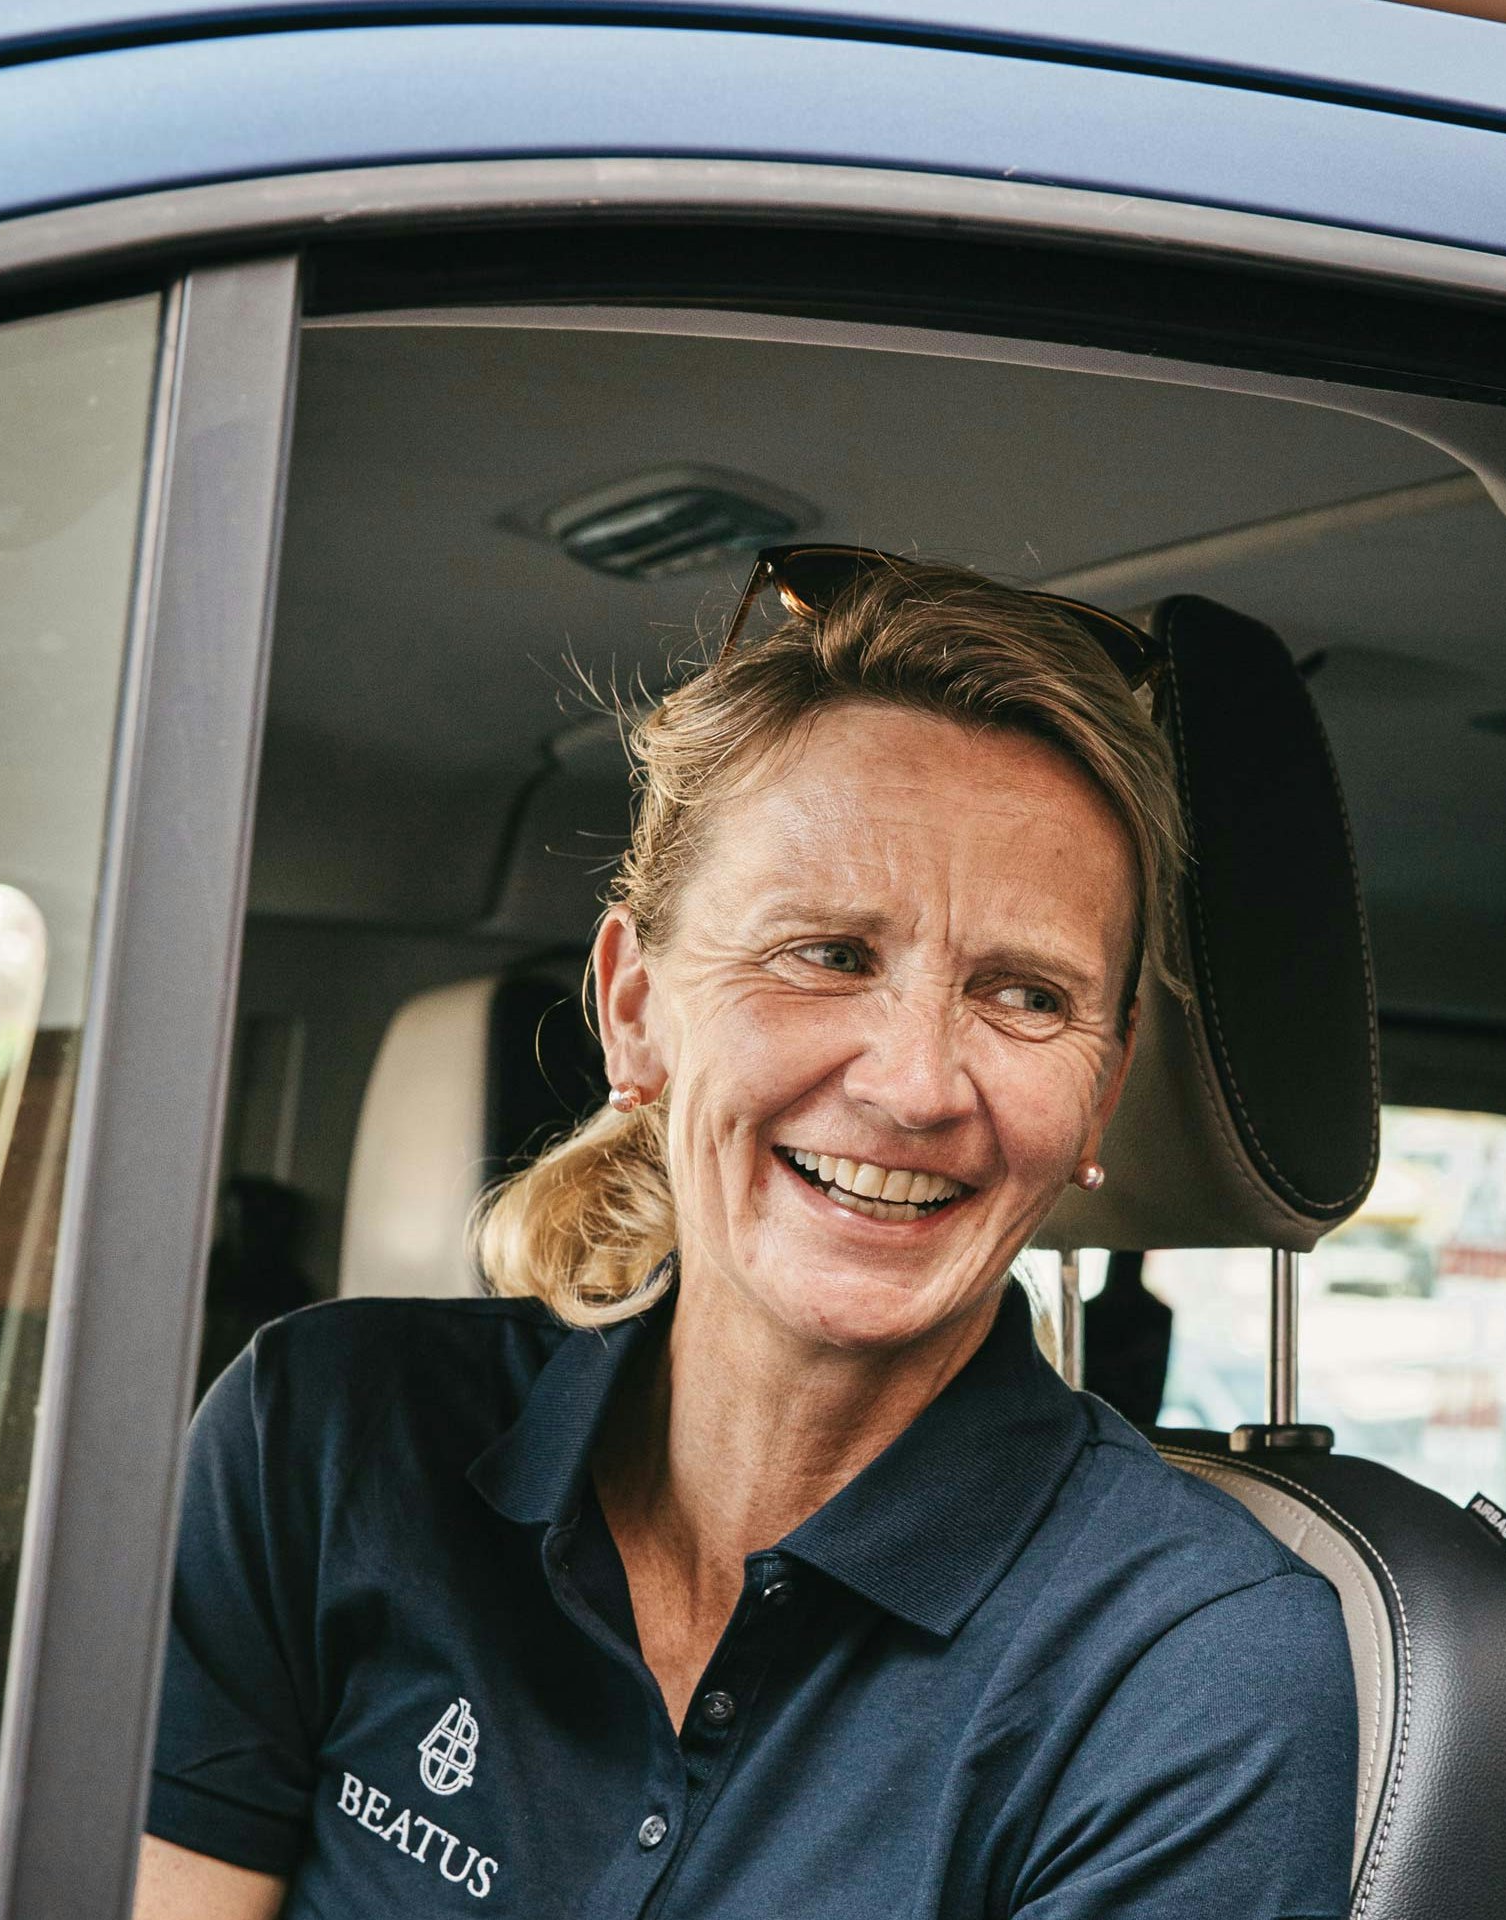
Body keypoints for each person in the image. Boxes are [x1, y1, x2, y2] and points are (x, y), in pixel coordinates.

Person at [135, 551, 1356, 1920]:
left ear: (1103, 1091)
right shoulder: (324, 1434)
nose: (915, 1086)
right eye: (828, 955)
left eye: (1024, 995)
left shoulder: (1192, 1664)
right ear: (635, 1010)